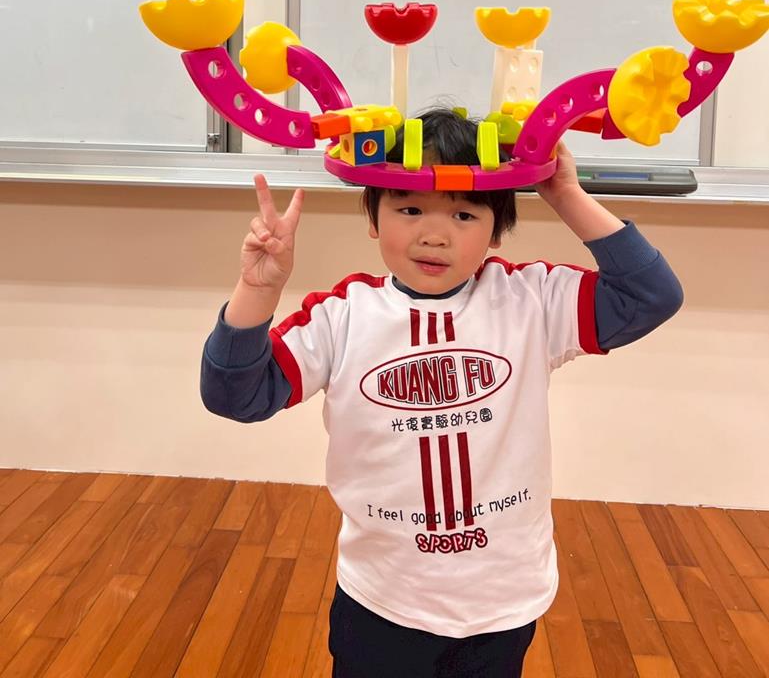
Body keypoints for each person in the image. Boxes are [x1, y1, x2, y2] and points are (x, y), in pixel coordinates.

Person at [200, 108, 683, 678]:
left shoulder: (532, 300)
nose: (434, 234)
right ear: (373, 217)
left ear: (496, 231)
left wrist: (565, 194)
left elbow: (651, 296)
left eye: (464, 213)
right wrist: (257, 289)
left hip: (502, 599)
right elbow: (236, 395)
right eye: (409, 209)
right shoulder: (342, 316)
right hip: (382, 598)